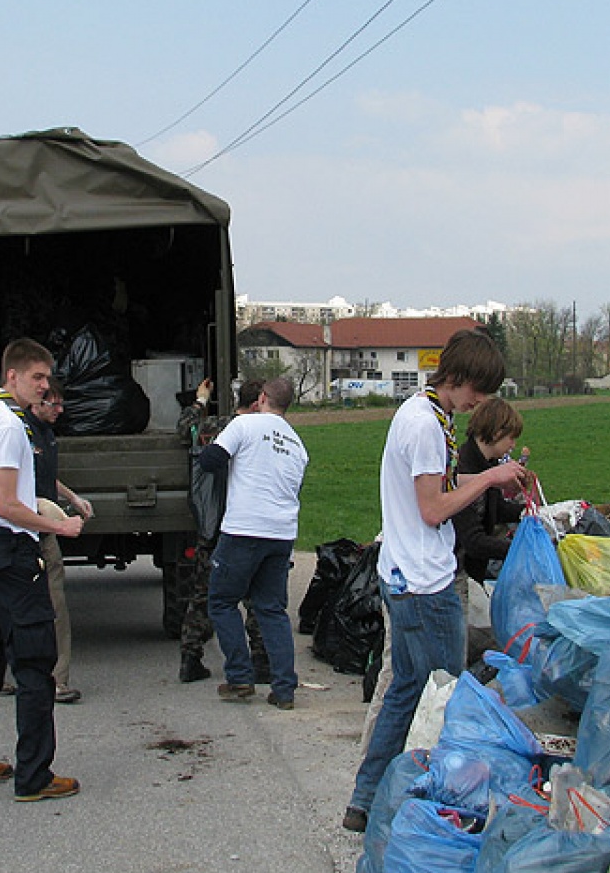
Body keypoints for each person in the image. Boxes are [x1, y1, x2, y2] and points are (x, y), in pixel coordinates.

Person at [343, 328, 530, 831]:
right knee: (446, 696)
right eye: (480, 390)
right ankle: (434, 804)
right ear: (461, 377)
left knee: (406, 689)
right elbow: (432, 509)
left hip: (405, 574)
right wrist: (489, 479)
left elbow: (440, 485)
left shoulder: (423, 414)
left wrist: (494, 474)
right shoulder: (427, 426)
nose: (481, 402)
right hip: (426, 583)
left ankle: (365, 803)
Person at [0, 338, 85, 802]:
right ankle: (34, 776)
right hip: (8, 551)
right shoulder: (9, 425)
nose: (46, 387)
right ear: (12, 376)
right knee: (34, 660)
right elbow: (8, 504)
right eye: (37, 378)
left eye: (48, 379)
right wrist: (58, 526)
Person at [201, 376, 309, 710]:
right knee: (271, 609)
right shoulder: (297, 444)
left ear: (261, 398)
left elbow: (210, 461)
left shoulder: (244, 425)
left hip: (244, 528)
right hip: (281, 533)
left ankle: (239, 678)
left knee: (221, 601)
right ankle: (284, 688)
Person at [176, 378, 271, 684]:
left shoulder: (214, 427)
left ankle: (190, 657)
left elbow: (185, 428)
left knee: (205, 592)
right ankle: (260, 659)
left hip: (214, 523)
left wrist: (201, 400)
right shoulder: (264, 433)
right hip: (250, 523)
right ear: (258, 403)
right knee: (257, 593)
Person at [7, 378, 92, 704]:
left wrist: (72, 497)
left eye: (60, 404)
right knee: (12, 607)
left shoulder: (47, 434)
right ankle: (7, 674)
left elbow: (45, 476)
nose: (59, 410)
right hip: (19, 531)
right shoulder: (17, 431)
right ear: (35, 403)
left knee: (56, 605)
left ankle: (58, 681)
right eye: (52, 404)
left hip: (43, 533)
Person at [452, 397, 528, 584]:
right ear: (496, 433)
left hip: (473, 572)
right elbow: (473, 541)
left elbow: (497, 509)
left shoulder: (489, 464)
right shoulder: (463, 470)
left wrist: (532, 512)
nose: (513, 445)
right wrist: (521, 550)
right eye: (511, 438)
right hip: (455, 575)